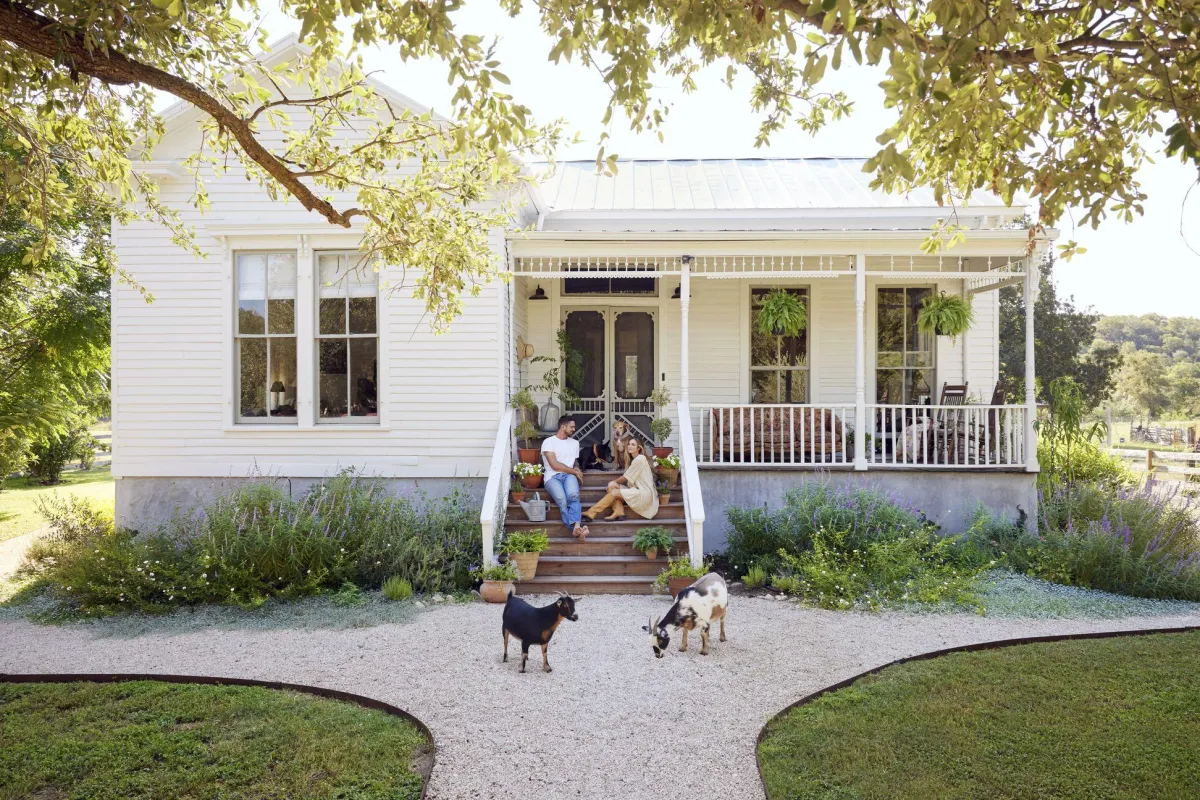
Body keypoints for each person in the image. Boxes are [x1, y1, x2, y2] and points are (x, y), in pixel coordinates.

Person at [582, 437, 659, 522]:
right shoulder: (634, 459)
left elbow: (625, 477)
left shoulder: (640, 459)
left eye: (633, 445)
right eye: (629, 444)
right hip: (635, 490)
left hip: (643, 494)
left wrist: (614, 481)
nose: (630, 446)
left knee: (614, 491)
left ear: (639, 448)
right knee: (612, 487)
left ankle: (592, 512)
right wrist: (613, 483)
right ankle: (619, 511)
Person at [541, 415, 589, 540]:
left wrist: (577, 469)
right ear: (563, 427)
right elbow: (555, 465)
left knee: (573, 496)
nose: (574, 429)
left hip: (569, 476)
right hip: (552, 477)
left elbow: (574, 462)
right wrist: (574, 471)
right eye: (571, 427)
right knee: (562, 501)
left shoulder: (574, 443)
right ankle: (576, 529)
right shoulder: (548, 442)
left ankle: (577, 526)